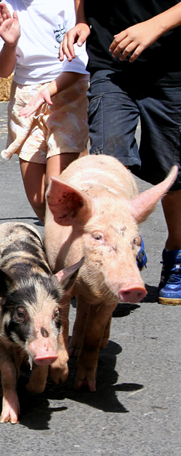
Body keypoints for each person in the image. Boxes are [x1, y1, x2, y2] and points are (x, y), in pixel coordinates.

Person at [59, 0, 181, 305]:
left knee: (172, 169)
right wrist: (82, 21)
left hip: (171, 67)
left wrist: (156, 25)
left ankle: (176, 253)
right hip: (110, 68)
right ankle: (122, 248)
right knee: (110, 161)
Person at [0, 1, 89, 222]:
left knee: (58, 191)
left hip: (66, 89)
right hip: (26, 98)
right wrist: (10, 46)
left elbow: (81, 63)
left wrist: (48, 90)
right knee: (41, 204)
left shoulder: (69, 3)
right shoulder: (5, 7)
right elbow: (1, 71)